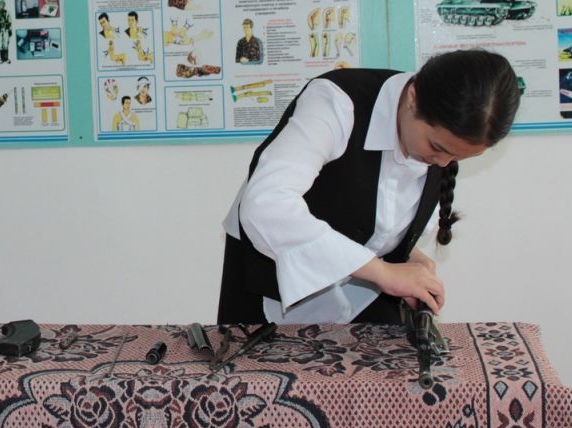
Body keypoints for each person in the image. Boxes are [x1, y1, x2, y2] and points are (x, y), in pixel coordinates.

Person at [217, 50, 520, 325]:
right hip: (266, 288)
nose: (442, 163)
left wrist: (408, 254)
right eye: (437, 147)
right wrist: (382, 272)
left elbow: (375, 218)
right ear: (413, 98)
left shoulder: (437, 140)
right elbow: (267, 204)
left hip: (365, 298)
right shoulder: (336, 102)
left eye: (457, 158)